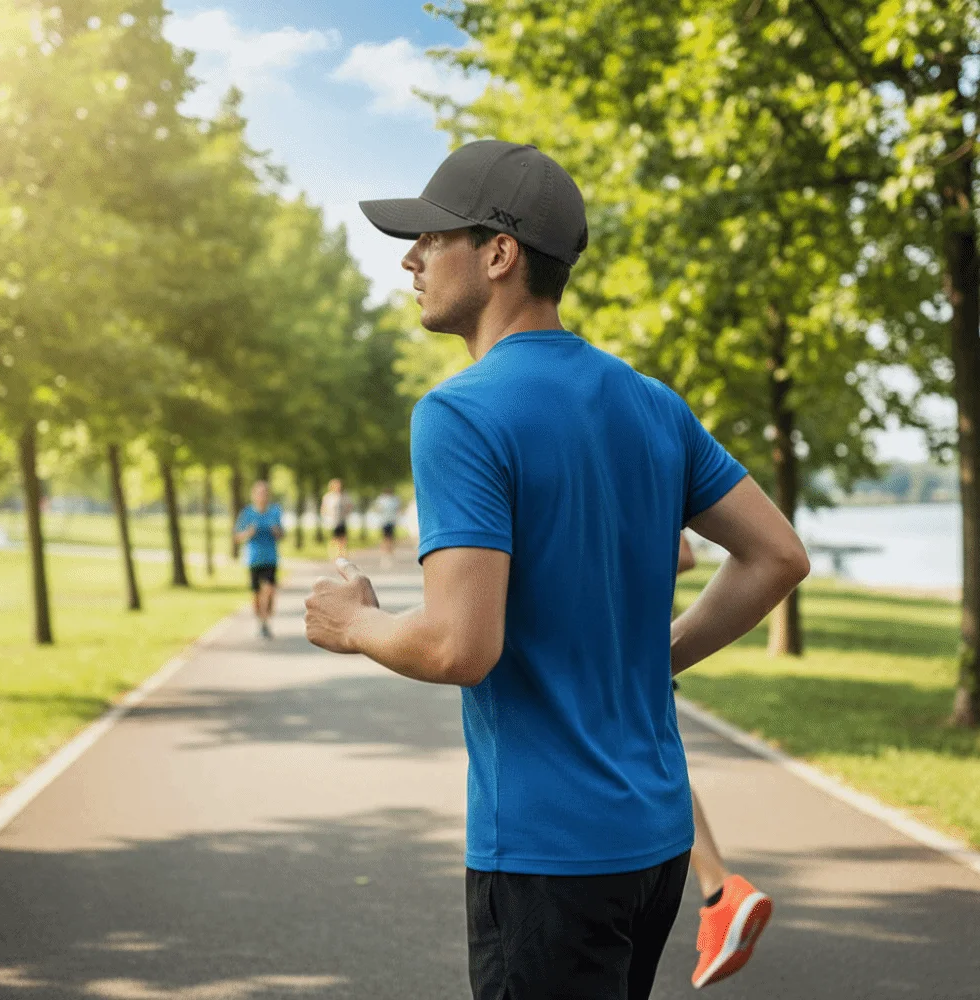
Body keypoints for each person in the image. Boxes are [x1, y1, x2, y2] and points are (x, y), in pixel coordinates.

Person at [303, 139, 809, 1000]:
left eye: (432, 237)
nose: (410, 257)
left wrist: (354, 623)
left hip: (547, 856)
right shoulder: (654, 404)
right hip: (654, 844)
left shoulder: (460, 414)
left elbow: (461, 647)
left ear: (499, 255)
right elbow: (777, 555)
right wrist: (658, 655)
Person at [676, 532, 773, 989]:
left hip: (597, 649)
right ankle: (719, 893)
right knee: (655, 761)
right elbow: (681, 555)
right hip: (636, 646)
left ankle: (719, 890)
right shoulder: (655, 457)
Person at [234, 480, 283, 640]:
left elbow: (282, 535)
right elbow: (237, 537)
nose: (262, 496)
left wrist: (276, 531)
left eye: (265, 493)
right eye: (259, 493)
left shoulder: (275, 512)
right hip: (253, 559)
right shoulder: (247, 513)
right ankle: (261, 622)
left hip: (270, 558)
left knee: (269, 591)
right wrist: (248, 533)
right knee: (256, 595)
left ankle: (266, 620)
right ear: (254, 495)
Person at [320, 479, 353, 560]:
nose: (338, 487)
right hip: (332, 522)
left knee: (343, 538)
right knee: (334, 538)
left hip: (341, 520)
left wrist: (346, 513)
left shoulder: (344, 496)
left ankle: (342, 555)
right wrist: (327, 515)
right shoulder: (328, 497)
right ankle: (334, 554)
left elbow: (350, 506)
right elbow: (323, 509)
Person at [373, 487, 403, 569]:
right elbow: (377, 509)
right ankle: (384, 556)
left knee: (391, 539)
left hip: (391, 522)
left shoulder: (395, 499)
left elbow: (398, 509)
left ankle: (390, 555)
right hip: (384, 522)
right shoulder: (381, 499)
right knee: (385, 539)